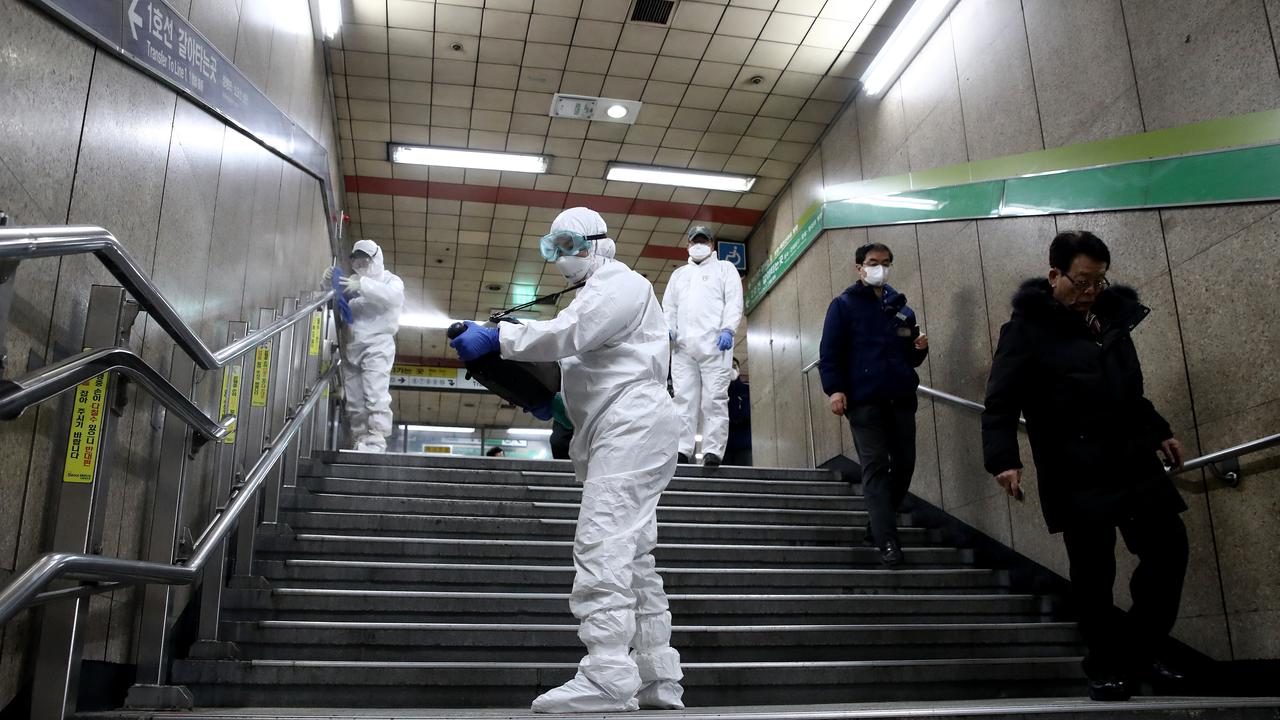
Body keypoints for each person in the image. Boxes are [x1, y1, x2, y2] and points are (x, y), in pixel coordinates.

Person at [448, 207, 683, 713]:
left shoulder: (621, 283)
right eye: (554, 247)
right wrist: (549, 402)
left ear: (600, 242)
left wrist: (499, 337)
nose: (562, 257)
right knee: (634, 557)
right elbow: (587, 362)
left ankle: (606, 677)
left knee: (601, 542)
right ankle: (656, 677)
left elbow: (571, 332)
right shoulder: (598, 293)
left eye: (571, 244)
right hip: (622, 425)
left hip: (634, 422)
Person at [982, 230, 1189, 702]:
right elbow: (1000, 402)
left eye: (1098, 281)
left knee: (1169, 550)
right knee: (1094, 575)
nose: (1090, 291)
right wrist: (1004, 460)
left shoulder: (1110, 319)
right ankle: (1104, 663)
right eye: (1081, 281)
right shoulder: (1026, 330)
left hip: (1132, 458)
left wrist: (1159, 429)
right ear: (1055, 275)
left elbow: (1129, 390)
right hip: (1074, 467)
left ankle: (1141, 646)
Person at [818, 243, 928, 567]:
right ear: (859, 268)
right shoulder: (843, 305)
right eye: (872, 262)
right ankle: (888, 541)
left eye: (884, 263)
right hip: (864, 401)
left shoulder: (901, 307)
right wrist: (835, 390)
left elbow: (910, 356)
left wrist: (918, 349)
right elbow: (830, 353)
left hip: (901, 398)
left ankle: (876, 525)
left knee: (905, 465)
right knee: (876, 465)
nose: (878, 267)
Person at [662, 225, 743, 467]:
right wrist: (669, 328)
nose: (699, 245)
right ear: (688, 245)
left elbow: (734, 301)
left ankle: (712, 451)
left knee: (714, 400)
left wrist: (729, 329)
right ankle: (682, 449)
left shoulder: (725, 269)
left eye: (703, 241)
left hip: (715, 345)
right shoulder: (679, 275)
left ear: (712, 245)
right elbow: (670, 307)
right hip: (683, 347)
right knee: (683, 400)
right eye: (695, 241)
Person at [322, 239, 404, 453]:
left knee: (375, 393)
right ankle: (361, 440)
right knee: (355, 399)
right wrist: (328, 284)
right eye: (356, 262)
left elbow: (393, 297)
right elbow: (336, 304)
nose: (360, 266)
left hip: (378, 345)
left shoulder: (390, 280)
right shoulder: (352, 283)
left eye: (364, 261)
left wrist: (363, 285)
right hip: (353, 347)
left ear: (376, 259)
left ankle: (376, 439)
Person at [724, 357, 752, 466]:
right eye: (729, 366)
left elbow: (748, 413)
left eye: (734, 366)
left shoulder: (747, 391)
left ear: (739, 370)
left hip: (744, 444)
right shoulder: (719, 392)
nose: (732, 369)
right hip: (724, 445)